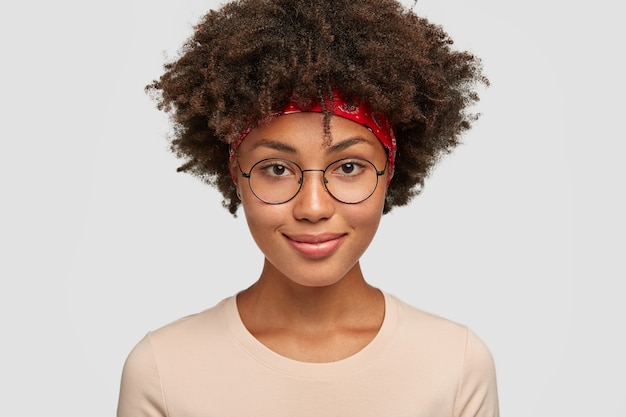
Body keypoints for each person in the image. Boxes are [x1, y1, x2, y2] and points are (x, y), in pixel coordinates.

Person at [117, 0, 498, 415]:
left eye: (349, 167)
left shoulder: (454, 364)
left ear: (389, 172)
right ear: (235, 172)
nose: (313, 207)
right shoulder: (163, 369)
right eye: (277, 168)